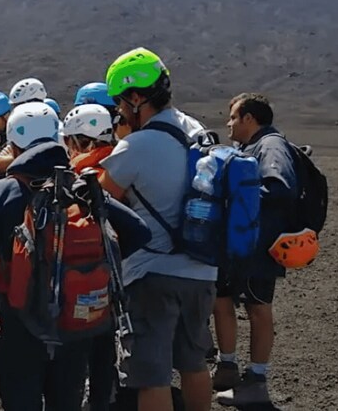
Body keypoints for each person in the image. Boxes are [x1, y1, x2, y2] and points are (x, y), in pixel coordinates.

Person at [0, 102, 150, 411]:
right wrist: (94, 265)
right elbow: (140, 232)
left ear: (14, 145)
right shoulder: (82, 187)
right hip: (75, 323)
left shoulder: (0, 192)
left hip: (17, 323)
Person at [98, 48, 216, 411]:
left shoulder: (135, 145)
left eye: (120, 101)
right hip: (202, 269)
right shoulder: (194, 129)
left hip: (152, 275)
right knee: (194, 364)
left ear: (137, 97)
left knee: (152, 378)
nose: (119, 110)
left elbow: (100, 199)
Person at [213, 93, 298, 406]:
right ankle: (228, 365)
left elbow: (280, 187)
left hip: (258, 246)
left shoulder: (271, 146)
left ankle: (257, 380)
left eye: (233, 117)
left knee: (258, 308)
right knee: (222, 299)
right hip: (240, 243)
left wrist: (234, 196)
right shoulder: (249, 147)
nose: (229, 123)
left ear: (249, 119)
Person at [62, 104, 119, 411]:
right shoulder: (119, 164)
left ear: (83, 141)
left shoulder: (84, 178)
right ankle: (104, 393)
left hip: (91, 271)